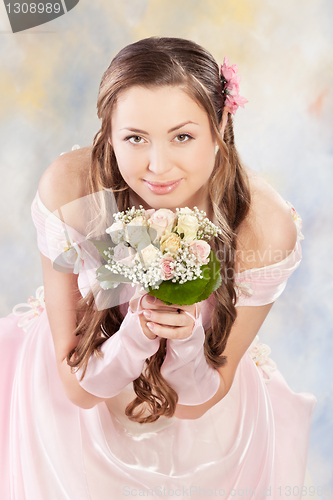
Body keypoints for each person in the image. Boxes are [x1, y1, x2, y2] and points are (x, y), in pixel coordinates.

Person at [0, 36, 317, 499]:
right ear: (109, 132)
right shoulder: (72, 194)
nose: (157, 166)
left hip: (199, 418)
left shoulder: (262, 229)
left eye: (183, 136)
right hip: (76, 402)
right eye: (134, 138)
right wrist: (131, 339)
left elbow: (195, 405)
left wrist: (187, 345)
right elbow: (77, 389)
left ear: (221, 123)